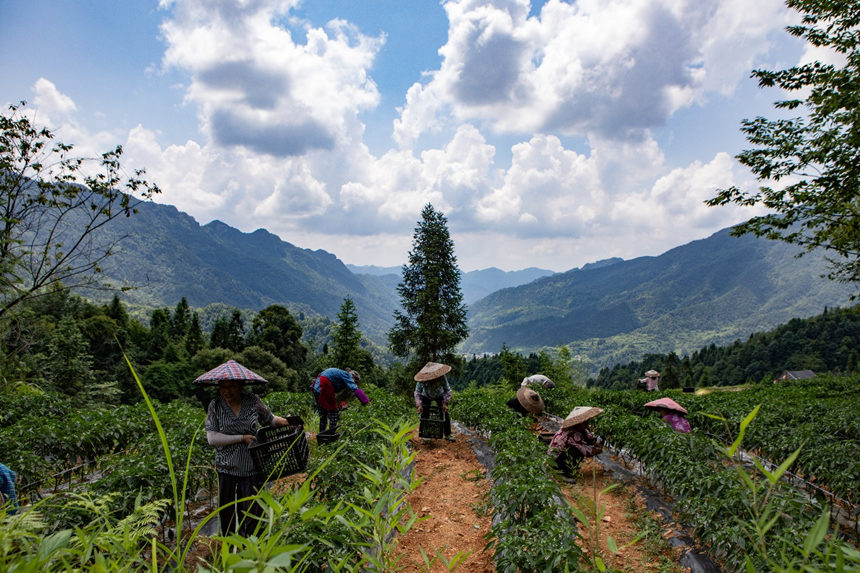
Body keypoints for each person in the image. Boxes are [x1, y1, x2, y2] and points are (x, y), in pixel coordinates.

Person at [205, 379, 292, 536]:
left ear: (239, 386)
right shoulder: (215, 405)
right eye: (223, 387)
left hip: (252, 465)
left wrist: (286, 421)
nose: (227, 391)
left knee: (253, 512)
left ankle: (251, 549)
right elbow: (212, 438)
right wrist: (241, 438)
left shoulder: (253, 401)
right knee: (227, 513)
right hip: (227, 467)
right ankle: (230, 549)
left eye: (231, 386)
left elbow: (270, 419)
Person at [548, 406, 604, 479]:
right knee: (576, 450)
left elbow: (589, 438)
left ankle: (569, 467)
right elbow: (586, 451)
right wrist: (597, 450)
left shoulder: (582, 430)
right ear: (578, 423)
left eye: (587, 421)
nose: (587, 424)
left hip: (560, 456)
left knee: (577, 449)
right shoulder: (572, 433)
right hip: (555, 459)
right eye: (584, 422)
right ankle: (564, 473)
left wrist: (594, 443)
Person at [311, 368, 370, 434]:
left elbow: (339, 395)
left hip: (316, 388)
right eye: (355, 381)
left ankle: (321, 435)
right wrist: (365, 401)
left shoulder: (340, 374)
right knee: (334, 413)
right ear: (353, 376)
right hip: (323, 387)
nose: (354, 382)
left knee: (323, 414)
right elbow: (354, 388)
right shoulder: (347, 375)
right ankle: (330, 435)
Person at [414, 362, 455, 442]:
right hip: (426, 395)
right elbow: (417, 392)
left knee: (444, 413)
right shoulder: (422, 379)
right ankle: (425, 435)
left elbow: (448, 390)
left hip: (439, 394)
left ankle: (448, 434)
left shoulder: (441, 377)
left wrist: (445, 403)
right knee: (424, 413)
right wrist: (419, 405)